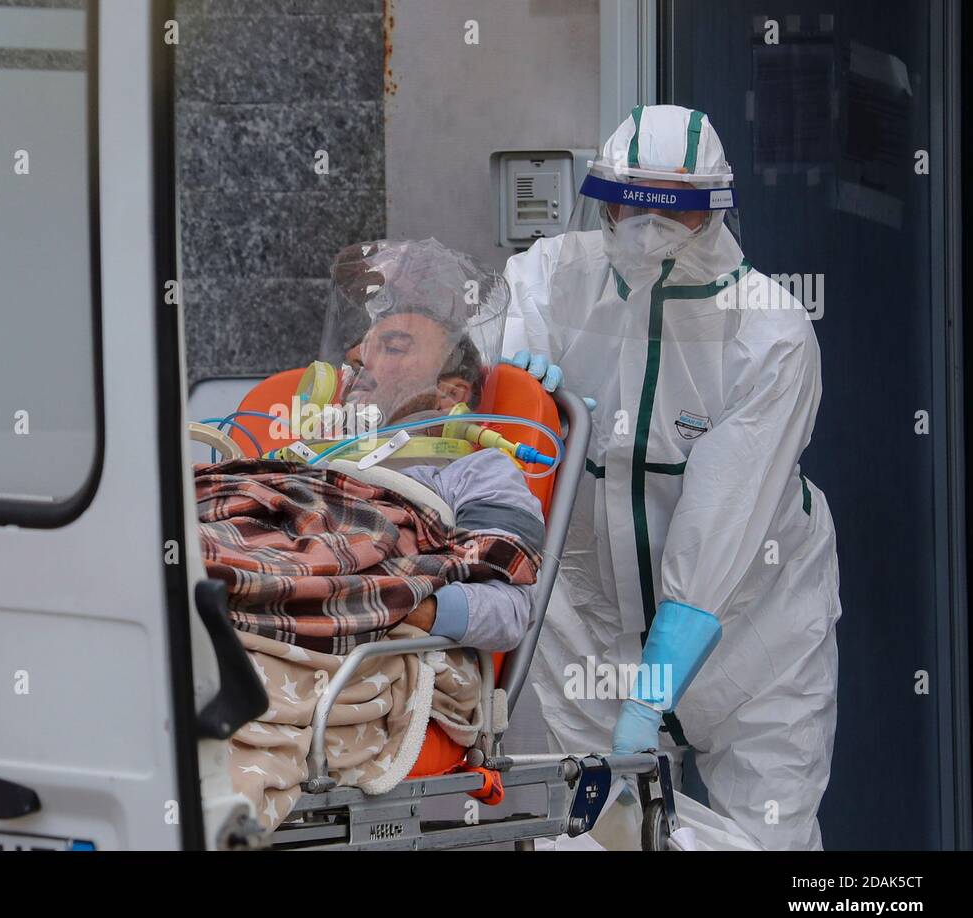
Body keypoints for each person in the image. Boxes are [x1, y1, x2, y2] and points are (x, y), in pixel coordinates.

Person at [503, 105, 841, 850]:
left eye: (673, 213)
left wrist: (647, 701)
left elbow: (720, 523)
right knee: (593, 834)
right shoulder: (552, 278)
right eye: (626, 206)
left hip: (757, 623)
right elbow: (493, 352)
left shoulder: (770, 334)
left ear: (713, 213)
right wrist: (510, 381)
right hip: (593, 618)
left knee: (771, 833)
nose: (643, 230)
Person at [320, 238, 548, 653]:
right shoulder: (305, 459)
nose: (361, 362)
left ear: (450, 395)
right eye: (360, 352)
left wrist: (373, 599)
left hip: (355, 655)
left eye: (392, 347)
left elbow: (508, 611)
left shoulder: (479, 475)